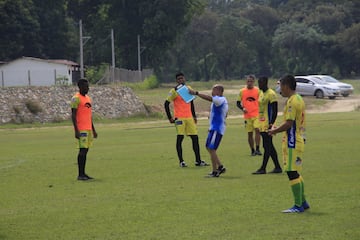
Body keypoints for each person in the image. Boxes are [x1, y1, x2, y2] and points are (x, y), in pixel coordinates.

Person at [268, 75, 309, 213]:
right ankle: (303, 202)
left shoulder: (292, 101)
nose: (280, 90)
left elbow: (289, 123)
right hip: (298, 139)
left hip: (292, 141)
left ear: (286, 86)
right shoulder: (298, 98)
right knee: (296, 172)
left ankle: (298, 205)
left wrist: (274, 131)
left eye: (281, 86)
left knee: (292, 172)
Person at [164, 72, 209, 167]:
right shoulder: (174, 91)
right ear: (176, 80)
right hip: (179, 118)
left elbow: (191, 102)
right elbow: (166, 104)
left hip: (189, 117)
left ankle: (198, 160)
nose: (181, 80)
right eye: (179, 79)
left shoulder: (188, 89)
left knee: (195, 138)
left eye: (182, 78)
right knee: (180, 138)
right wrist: (170, 117)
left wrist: (194, 116)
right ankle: (181, 161)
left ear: (185, 79)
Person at [189, 85, 228, 177]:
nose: (212, 92)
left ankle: (215, 171)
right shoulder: (218, 101)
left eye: (214, 90)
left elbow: (210, 99)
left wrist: (196, 93)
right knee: (208, 147)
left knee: (211, 148)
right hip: (213, 128)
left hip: (217, 128)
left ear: (219, 91)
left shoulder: (220, 99)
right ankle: (220, 166)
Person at [252, 76, 282, 174]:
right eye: (258, 83)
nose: (259, 85)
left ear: (265, 83)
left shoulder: (271, 94)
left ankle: (263, 168)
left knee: (267, 145)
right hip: (261, 122)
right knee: (269, 146)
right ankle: (277, 167)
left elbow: (275, 110)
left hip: (267, 123)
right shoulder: (261, 93)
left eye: (261, 83)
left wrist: (271, 123)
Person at [71, 78, 98, 181]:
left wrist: (93, 129)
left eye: (88, 86)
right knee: (82, 151)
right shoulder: (75, 99)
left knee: (86, 150)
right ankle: (80, 174)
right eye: (86, 86)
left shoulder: (88, 98)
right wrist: (76, 130)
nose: (88, 88)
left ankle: (83, 173)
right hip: (81, 129)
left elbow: (89, 116)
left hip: (88, 129)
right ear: (80, 87)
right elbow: (73, 115)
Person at [237, 75, 262, 156]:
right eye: (248, 81)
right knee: (250, 133)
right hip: (247, 115)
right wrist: (242, 108)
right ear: (246, 82)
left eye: (251, 81)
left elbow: (261, 101)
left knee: (257, 129)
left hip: (256, 114)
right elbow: (238, 103)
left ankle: (258, 148)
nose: (249, 83)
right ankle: (252, 150)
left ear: (254, 82)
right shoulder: (242, 91)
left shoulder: (258, 90)